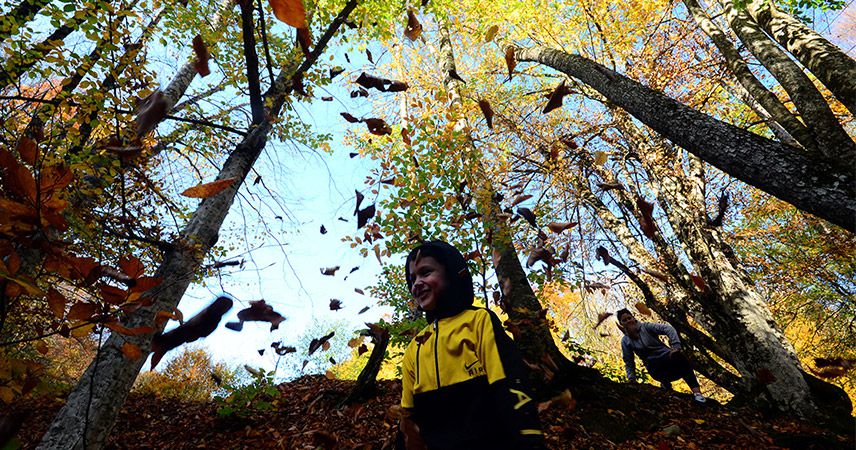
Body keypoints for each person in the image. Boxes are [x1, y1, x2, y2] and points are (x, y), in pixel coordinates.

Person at [398, 240, 545, 450]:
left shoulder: (479, 321)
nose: (416, 283)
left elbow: (511, 385)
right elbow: (408, 419)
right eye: (412, 279)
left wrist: (529, 440)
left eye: (426, 272)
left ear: (451, 273)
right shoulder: (415, 347)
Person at [616, 308, 707, 404]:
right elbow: (628, 360)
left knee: (680, 358)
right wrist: (631, 378)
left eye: (629, 318)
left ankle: (698, 395)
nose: (628, 321)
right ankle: (665, 384)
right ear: (622, 324)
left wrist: (675, 347)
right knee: (653, 362)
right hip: (654, 367)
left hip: (668, 358)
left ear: (633, 318)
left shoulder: (646, 327)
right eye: (624, 320)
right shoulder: (625, 341)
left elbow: (668, 328)